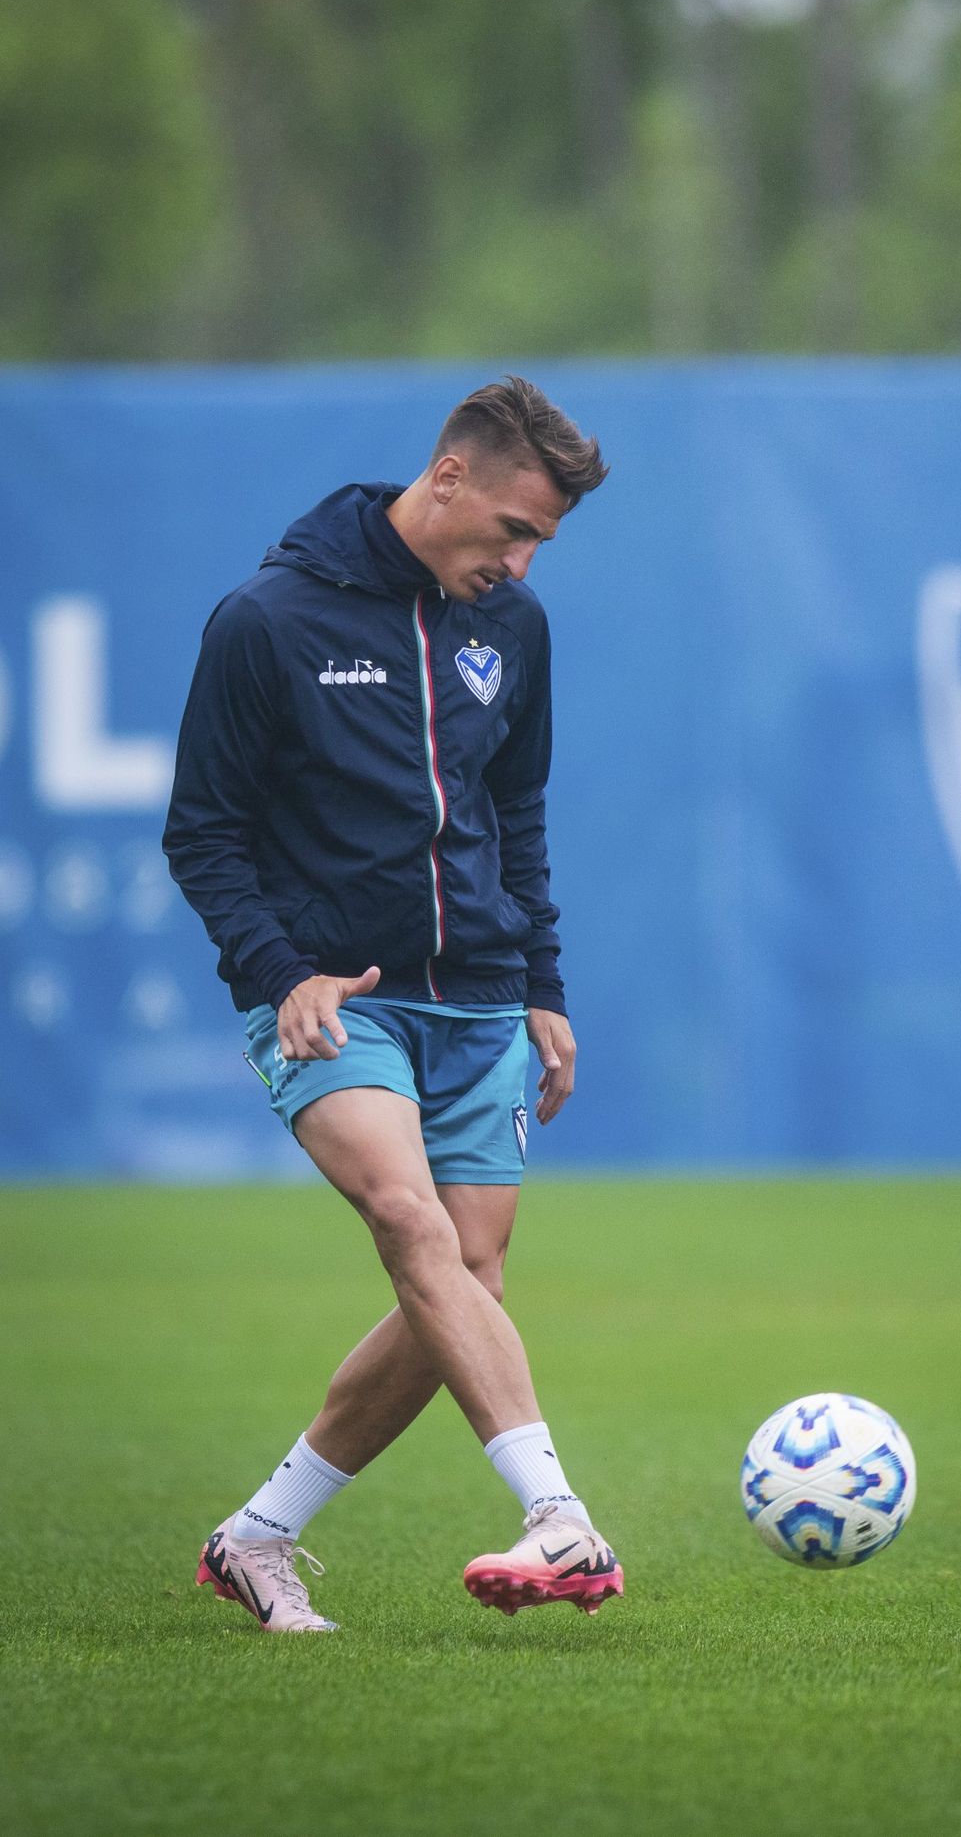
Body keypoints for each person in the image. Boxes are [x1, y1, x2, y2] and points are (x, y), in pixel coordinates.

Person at [163, 376, 621, 1632]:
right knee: (413, 1228)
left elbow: (514, 817)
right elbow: (200, 834)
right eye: (512, 531)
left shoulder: (513, 627)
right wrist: (281, 972)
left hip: (477, 999)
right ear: (449, 477)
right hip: (335, 1000)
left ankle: (258, 1536)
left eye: (541, 544)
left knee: (468, 1282)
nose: (521, 562)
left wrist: (543, 987)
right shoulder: (266, 620)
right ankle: (559, 1520)